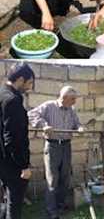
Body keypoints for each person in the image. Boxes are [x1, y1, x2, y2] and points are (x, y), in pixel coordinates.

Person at [27, 86, 84, 219]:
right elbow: (31, 114)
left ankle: (60, 205)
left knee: (65, 178)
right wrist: (43, 125)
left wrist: (80, 128)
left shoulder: (71, 110)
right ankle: (52, 212)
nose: (75, 101)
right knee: (52, 179)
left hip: (66, 146)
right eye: (73, 99)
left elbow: (77, 124)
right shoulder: (49, 106)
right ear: (64, 98)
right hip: (52, 146)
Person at [0, 63, 35, 219]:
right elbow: (12, 138)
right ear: (20, 79)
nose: (30, 87)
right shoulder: (12, 100)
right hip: (11, 162)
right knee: (14, 203)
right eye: (29, 83)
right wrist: (23, 166)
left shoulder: (2, 92)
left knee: (5, 199)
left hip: (2, 158)